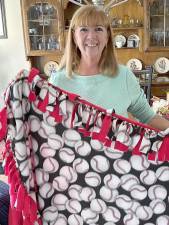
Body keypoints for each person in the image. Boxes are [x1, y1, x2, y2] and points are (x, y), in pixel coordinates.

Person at [49, 5, 169, 131]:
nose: (91, 36)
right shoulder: (58, 81)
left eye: (98, 29)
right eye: (84, 29)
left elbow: (149, 117)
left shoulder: (124, 76)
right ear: (74, 36)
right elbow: (50, 126)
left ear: (107, 37)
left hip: (119, 150)